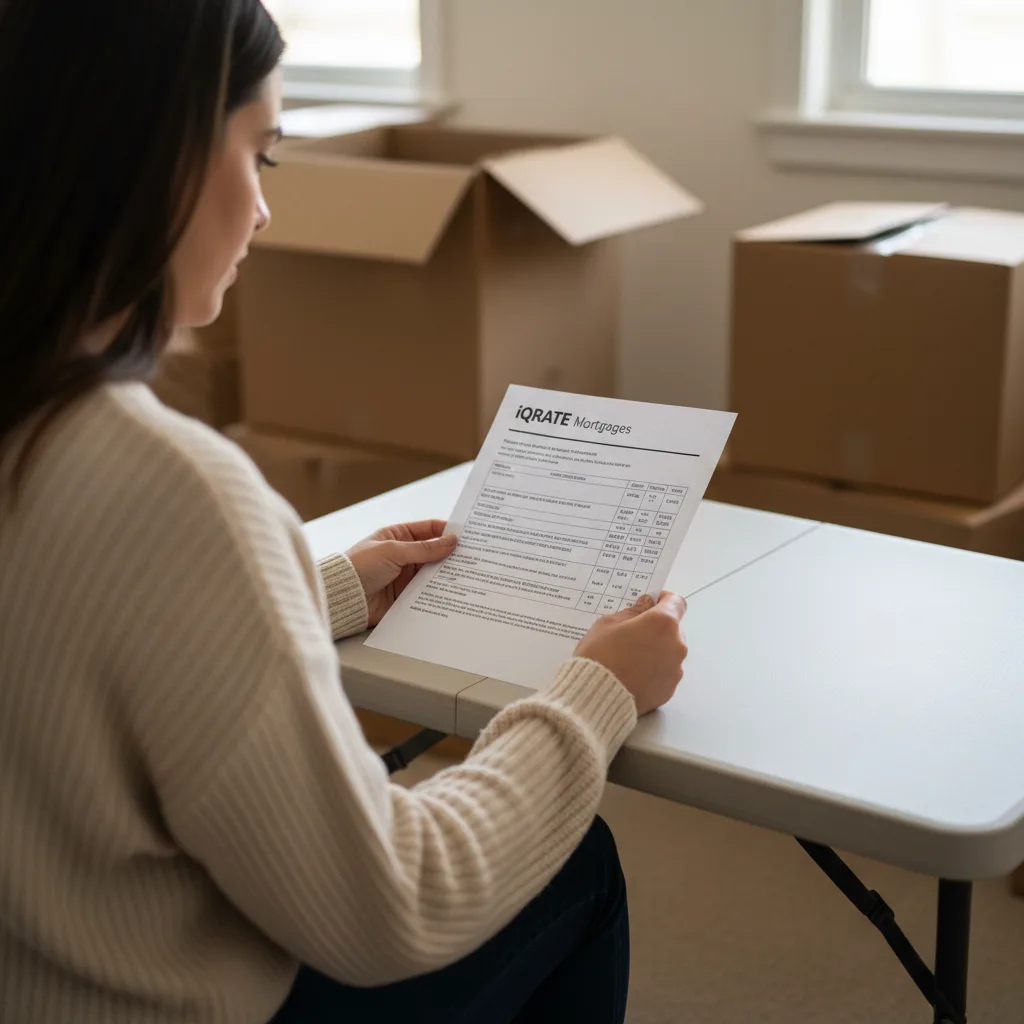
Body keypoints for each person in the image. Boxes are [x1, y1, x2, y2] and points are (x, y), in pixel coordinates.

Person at [0, 2, 689, 1022]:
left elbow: (57, 630)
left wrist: (319, 588)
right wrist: (594, 693)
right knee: (573, 862)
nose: (267, 212)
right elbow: (388, 906)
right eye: (262, 157)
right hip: (156, 995)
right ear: (157, 158)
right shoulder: (167, 485)